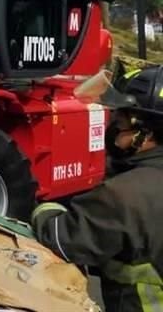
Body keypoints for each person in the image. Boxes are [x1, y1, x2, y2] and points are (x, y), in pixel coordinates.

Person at [31, 65, 163, 311]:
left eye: (120, 121)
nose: (112, 129)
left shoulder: (125, 195)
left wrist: (45, 207)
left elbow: (61, 238)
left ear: (145, 133)